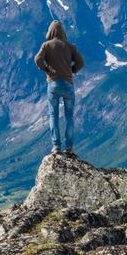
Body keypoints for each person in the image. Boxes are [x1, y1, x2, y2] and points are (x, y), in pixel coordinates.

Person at [33, 20, 85, 155]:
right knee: (69, 116)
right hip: (68, 84)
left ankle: (56, 147)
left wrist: (46, 69)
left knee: (53, 115)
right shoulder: (70, 46)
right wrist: (73, 70)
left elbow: (37, 59)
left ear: (50, 31)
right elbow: (81, 62)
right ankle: (69, 148)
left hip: (53, 83)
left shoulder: (46, 46)